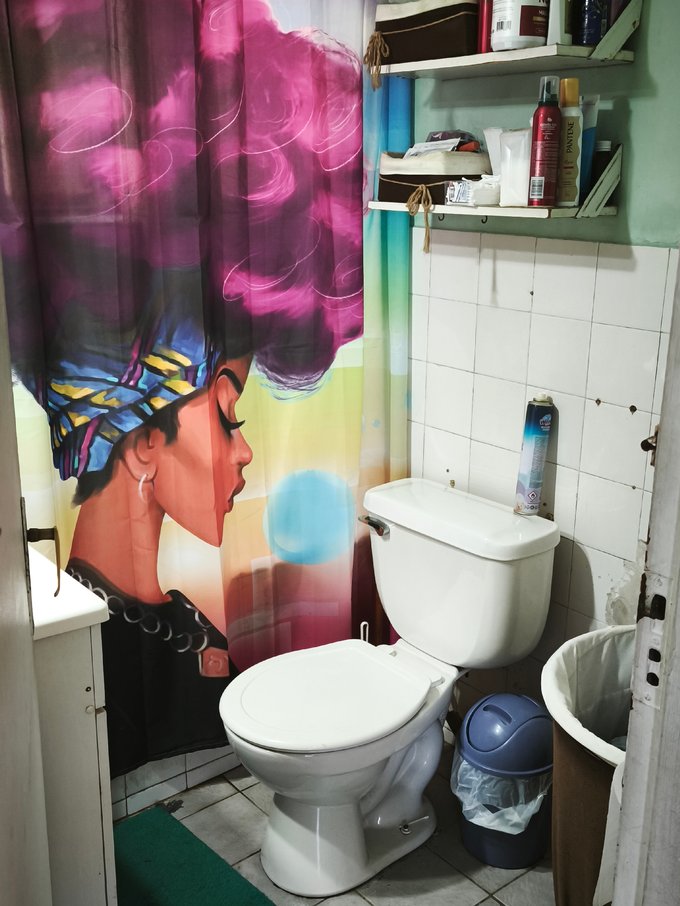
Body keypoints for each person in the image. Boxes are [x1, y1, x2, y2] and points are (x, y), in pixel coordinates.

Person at [2, 0, 364, 777]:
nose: (248, 453)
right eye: (229, 417)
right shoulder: (88, 652)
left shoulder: (190, 627)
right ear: (140, 443)